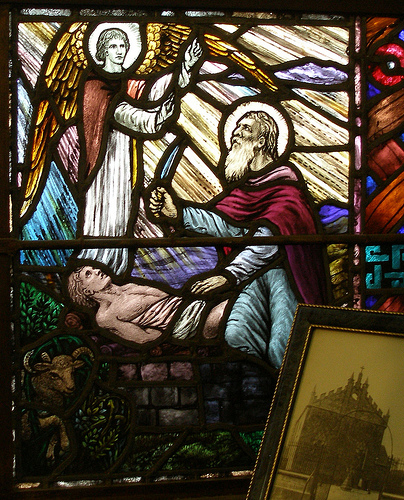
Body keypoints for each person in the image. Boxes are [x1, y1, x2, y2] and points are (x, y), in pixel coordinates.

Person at [148, 104, 328, 368]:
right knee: (235, 335)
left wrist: (228, 276)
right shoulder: (245, 191)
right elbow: (226, 226)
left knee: (284, 348)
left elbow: (268, 241)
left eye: (244, 128)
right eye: (236, 128)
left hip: (286, 278)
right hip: (251, 278)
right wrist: (179, 213)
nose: (235, 134)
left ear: (261, 141)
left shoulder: (287, 192)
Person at [77, 26, 202, 274]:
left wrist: (185, 68)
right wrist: (156, 116)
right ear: (102, 51)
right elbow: (131, 116)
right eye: (113, 46)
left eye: (122, 45)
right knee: (105, 214)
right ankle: (95, 267)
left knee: (122, 213)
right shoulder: (95, 85)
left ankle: (116, 270)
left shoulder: (126, 81)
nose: (119, 51)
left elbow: (156, 91)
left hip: (123, 159)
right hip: (105, 165)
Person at [67, 265, 227, 344]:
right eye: (89, 274)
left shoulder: (128, 286)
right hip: (184, 323)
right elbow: (144, 338)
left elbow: (166, 295)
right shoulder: (105, 316)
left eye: (94, 268)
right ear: (87, 291)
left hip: (192, 306)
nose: (97, 271)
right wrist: (167, 327)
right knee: (232, 307)